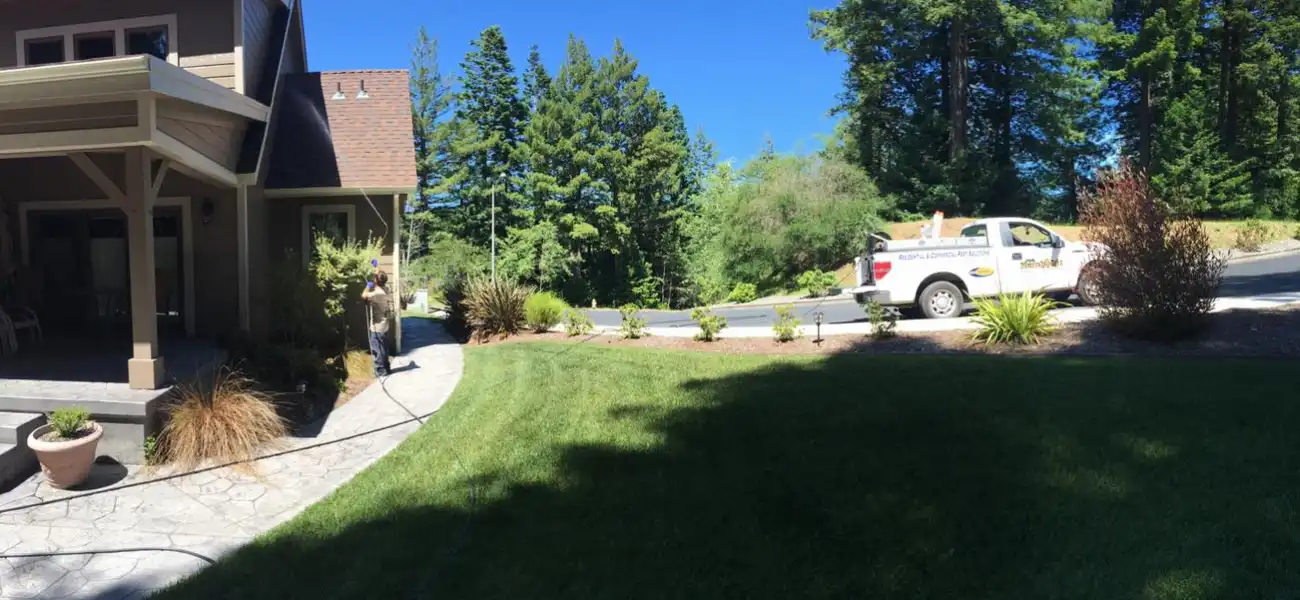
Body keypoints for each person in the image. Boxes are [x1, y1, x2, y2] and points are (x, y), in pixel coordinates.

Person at [360, 267, 392, 376]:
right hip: (384, 324)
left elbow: (363, 296)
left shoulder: (376, 294)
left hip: (377, 326)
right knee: (384, 348)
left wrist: (368, 286)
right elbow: (380, 277)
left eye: (375, 278)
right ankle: (387, 368)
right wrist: (377, 270)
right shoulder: (386, 289)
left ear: (377, 281)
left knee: (377, 349)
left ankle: (380, 371)